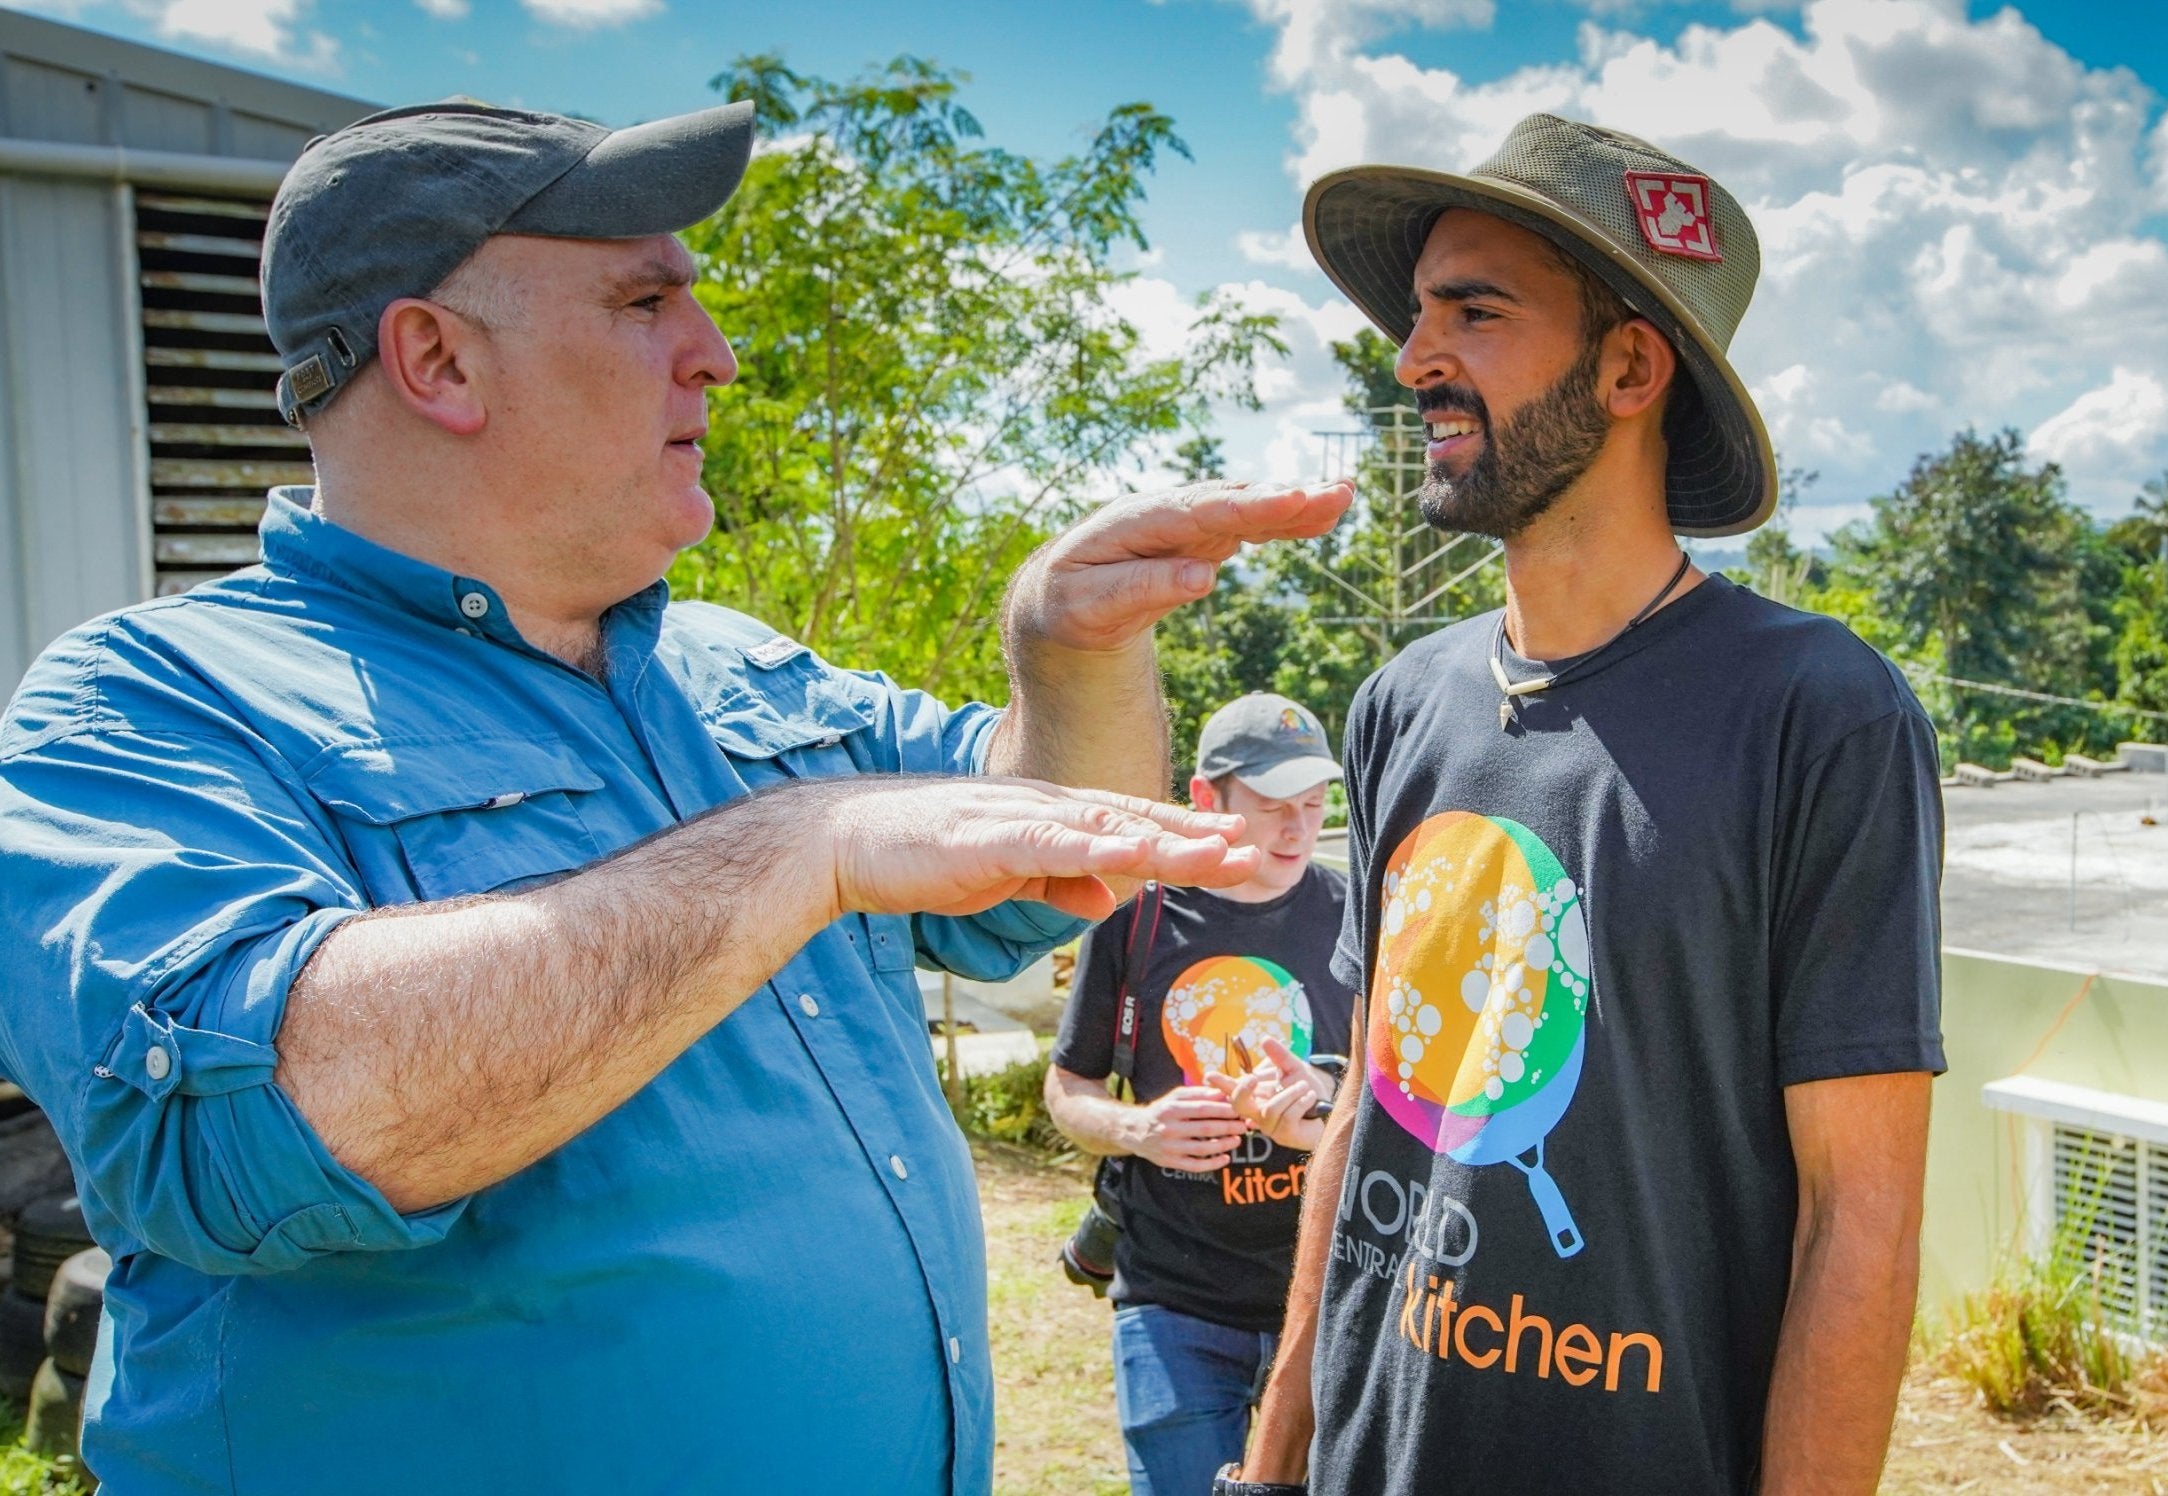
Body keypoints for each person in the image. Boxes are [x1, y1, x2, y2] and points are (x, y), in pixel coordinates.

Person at [0, 98, 1352, 1494]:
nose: (715, 357)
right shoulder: (149, 703)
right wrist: (797, 850)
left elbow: (1051, 853)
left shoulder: (746, 672)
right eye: (646, 300)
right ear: (437, 358)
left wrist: (1068, 653)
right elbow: (249, 1123)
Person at [1223, 115, 1945, 1496]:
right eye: (1418, 311)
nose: (1412, 356)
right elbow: (1372, 1115)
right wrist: (1268, 1466)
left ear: (1628, 366)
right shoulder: (1401, 705)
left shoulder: (1817, 712)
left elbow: (1856, 1219)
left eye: (1473, 311)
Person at [1045, 693, 1353, 1496]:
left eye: (1313, 805)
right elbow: (1068, 1084)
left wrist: (1324, 1111)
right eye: (1273, 806)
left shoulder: (1359, 918)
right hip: (1172, 1302)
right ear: (1206, 798)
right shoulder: (1131, 920)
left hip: (1327, 1298)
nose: (1297, 828)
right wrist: (1136, 1127)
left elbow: (1404, 1103)